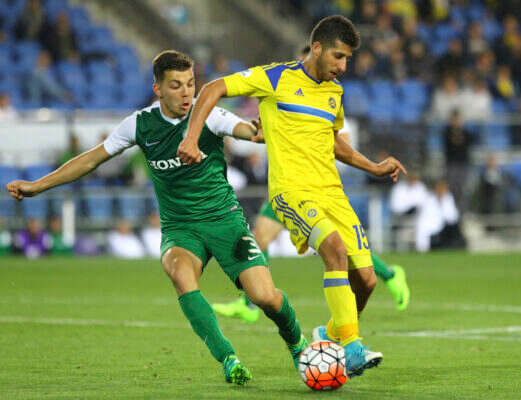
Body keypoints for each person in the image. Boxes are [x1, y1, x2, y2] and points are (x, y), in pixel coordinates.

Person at [6, 50, 307, 386]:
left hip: (225, 221)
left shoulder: (207, 113)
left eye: (190, 84)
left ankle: (297, 343)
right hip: (181, 228)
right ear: (158, 89)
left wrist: (253, 131)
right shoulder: (140, 124)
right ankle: (228, 358)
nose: (186, 93)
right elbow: (92, 159)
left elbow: (241, 128)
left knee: (264, 296)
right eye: (176, 85)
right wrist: (38, 185)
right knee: (179, 272)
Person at [181, 15, 407, 378]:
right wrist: (191, 139)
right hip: (292, 192)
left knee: (366, 280)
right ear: (317, 48)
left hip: (333, 193)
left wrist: (373, 166)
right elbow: (211, 89)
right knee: (334, 251)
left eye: (347, 59)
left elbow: (333, 140)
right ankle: (351, 348)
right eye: (338, 56)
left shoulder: (334, 93)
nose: (343, 66)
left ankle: (329, 336)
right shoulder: (275, 78)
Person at [214, 46, 410, 323]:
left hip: (320, 187)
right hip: (288, 187)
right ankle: (250, 303)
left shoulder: (328, 97)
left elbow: (337, 142)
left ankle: (388, 275)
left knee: (340, 249)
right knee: (262, 238)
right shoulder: (283, 88)